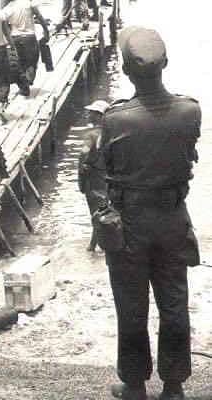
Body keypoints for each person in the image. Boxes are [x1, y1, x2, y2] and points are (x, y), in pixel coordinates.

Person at [100, 26, 200, 400]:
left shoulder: (115, 119)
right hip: (173, 216)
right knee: (174, 302)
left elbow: (105, 167)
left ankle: (135, 382)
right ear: (166, 64)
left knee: (131, 303)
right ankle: (174, 386)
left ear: (126, 71)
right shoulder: (190, 110)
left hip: (131, 222)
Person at [77, 100, 108, 252]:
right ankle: (97, 243)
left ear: (98, 115)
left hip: (94, 179)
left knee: (95, 212)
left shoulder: (90, 135)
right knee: (105, 210)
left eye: (92, 113)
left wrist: (81, 181)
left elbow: (84, 155)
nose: (88, 114)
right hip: (107, 178)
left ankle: (92, 246)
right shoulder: (111, 133)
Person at [1, 0, 50, 86]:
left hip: (15, 37)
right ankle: (27, 81)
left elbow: (2, 23)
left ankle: (23, 83)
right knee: (32, 63)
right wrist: (46, 31)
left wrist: (8, 37)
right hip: (29, 38)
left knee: (20, 63)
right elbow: (40, 17)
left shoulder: (8, 8)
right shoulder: (29, 4)